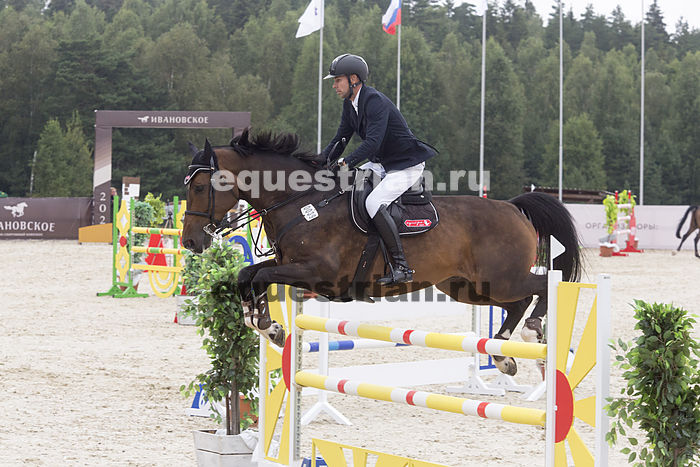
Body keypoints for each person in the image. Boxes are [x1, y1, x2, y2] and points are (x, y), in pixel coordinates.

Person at [322, 53, 437, 286]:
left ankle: (402, 267)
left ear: (354, 79)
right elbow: (340, 139)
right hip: (382, 164)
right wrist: (319, 162)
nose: (334, 85)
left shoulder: (374, 101)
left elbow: (372, 142)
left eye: (338, 80)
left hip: (405, 164)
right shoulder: (350, 104)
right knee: (346, 188)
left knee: (373, 202)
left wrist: (347, 162)